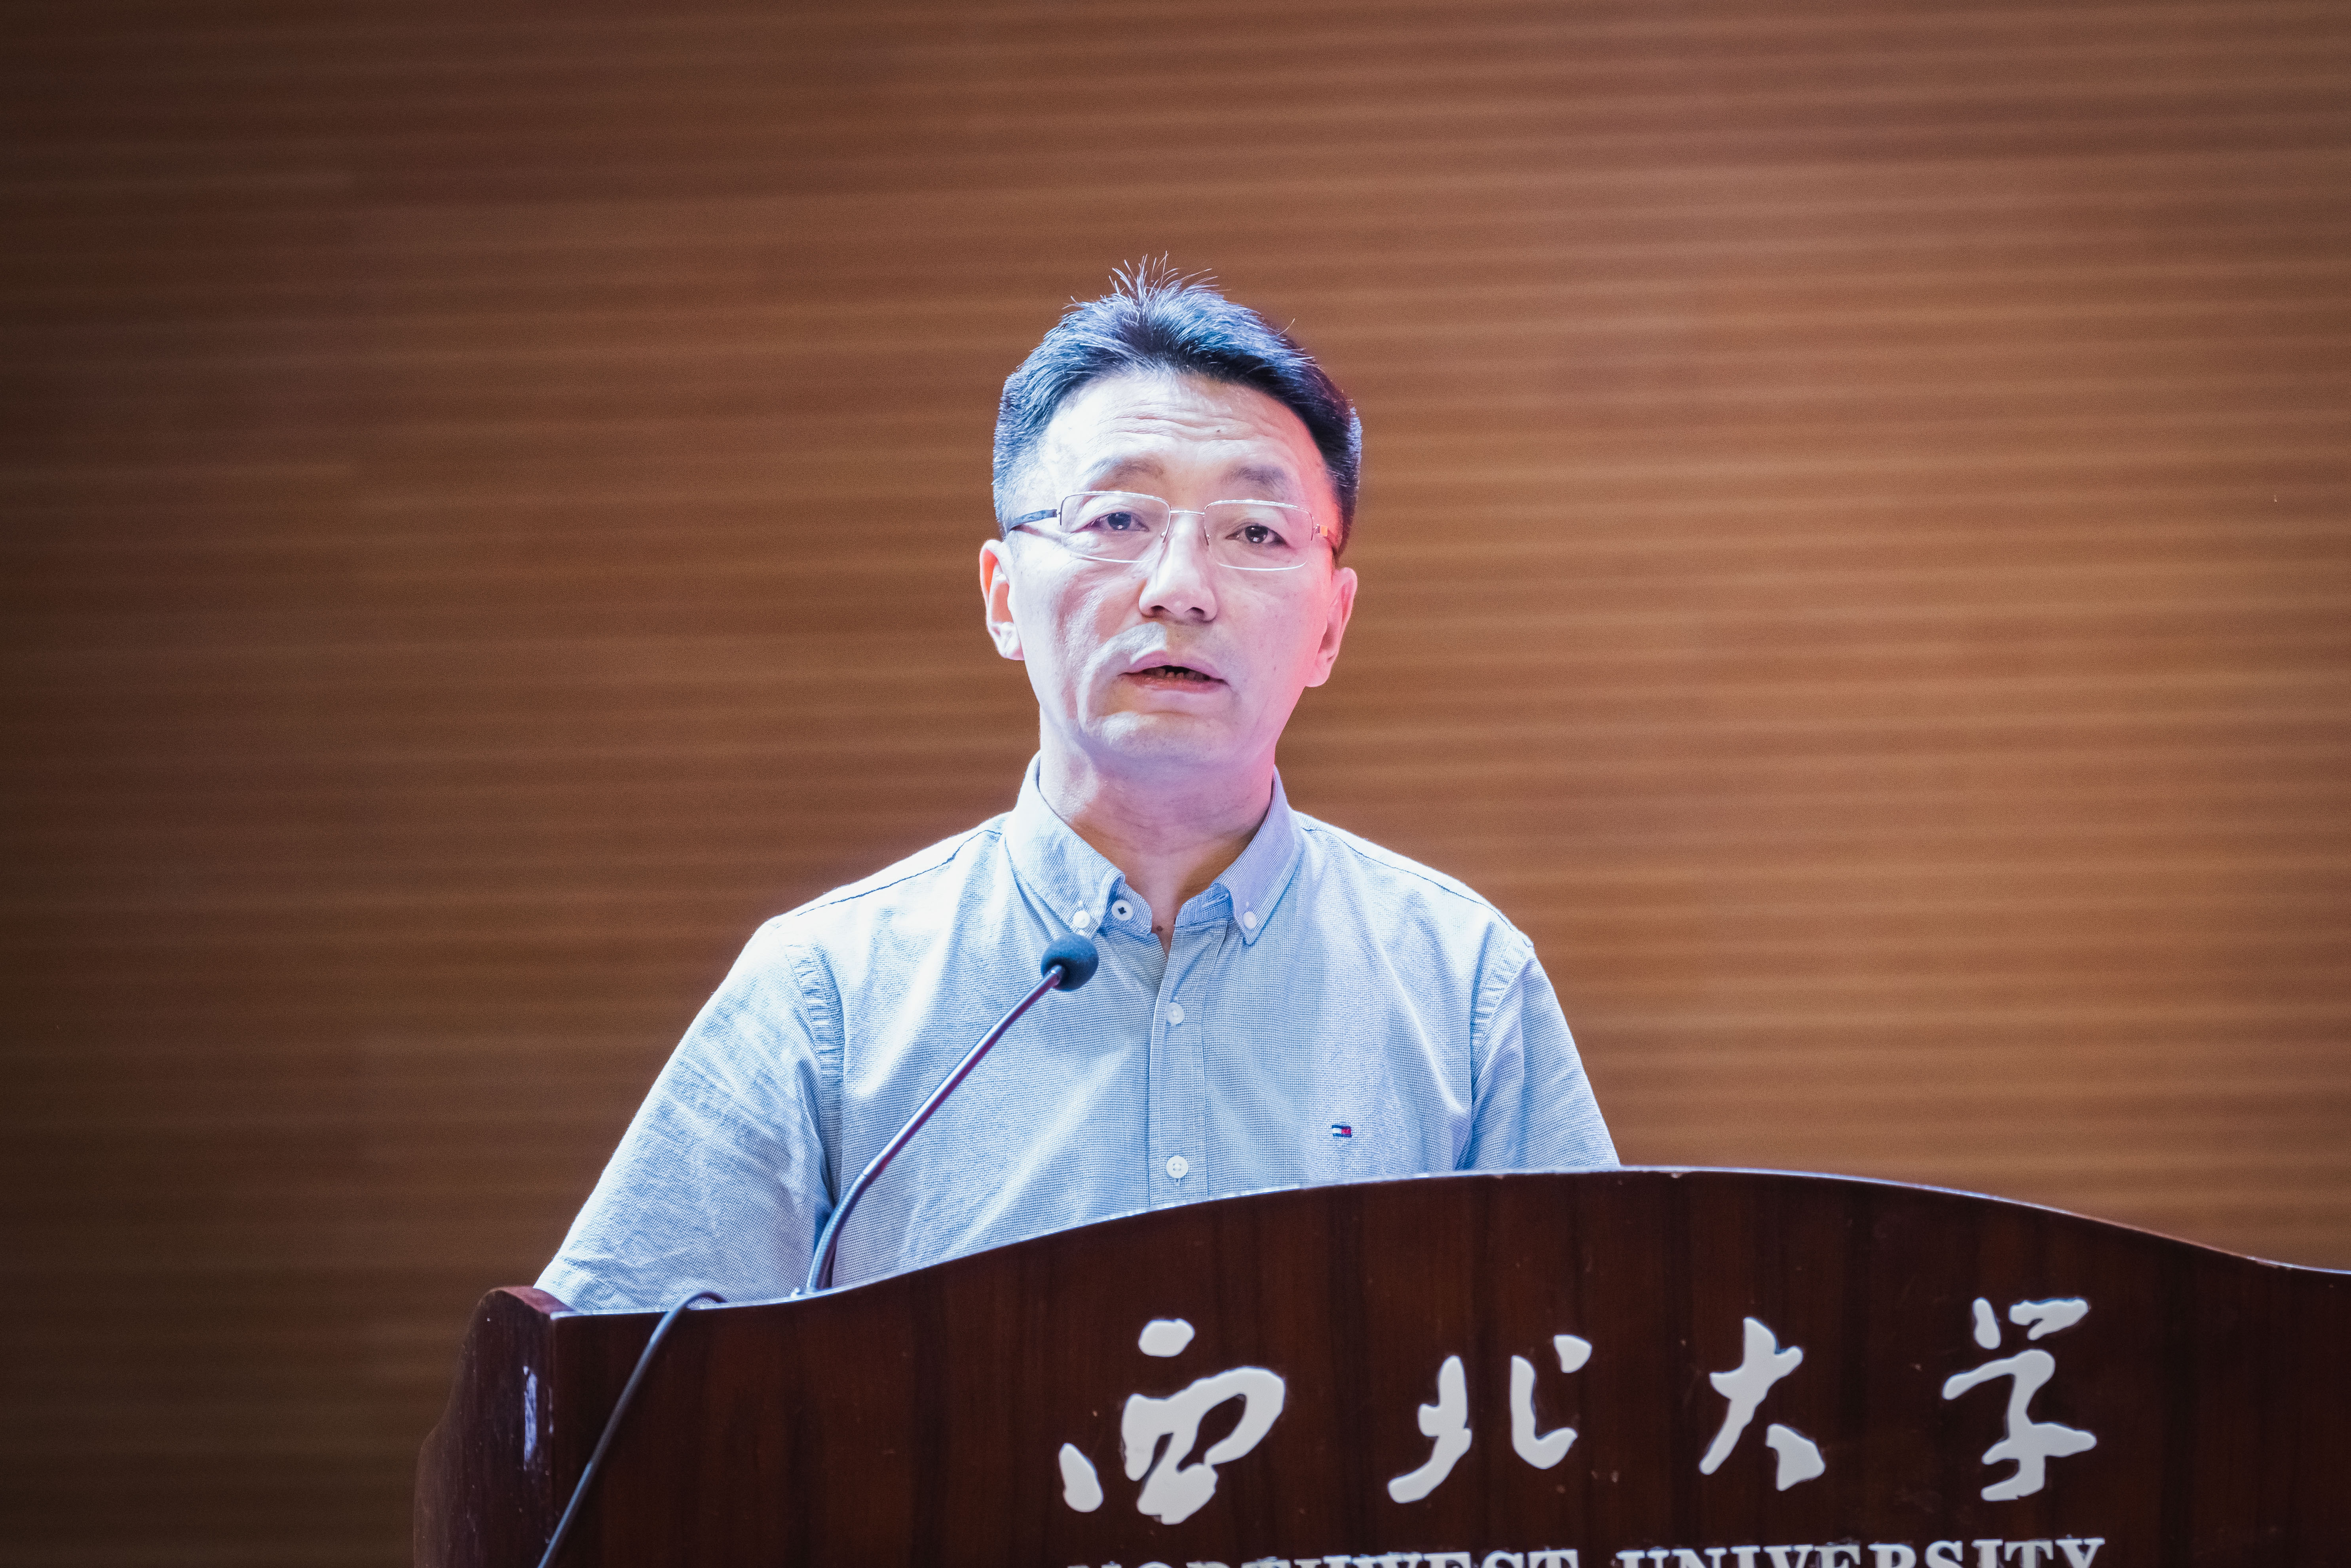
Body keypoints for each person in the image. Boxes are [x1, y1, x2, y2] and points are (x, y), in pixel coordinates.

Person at [537, 268, 1615, 1312]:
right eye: (1117, 521)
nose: (1180, 588)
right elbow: (608, 1395)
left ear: (1330, 625)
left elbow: (1595, 1367)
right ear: (1004, 597)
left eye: (1254, 532)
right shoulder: (827, 993)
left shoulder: (1463, 984)